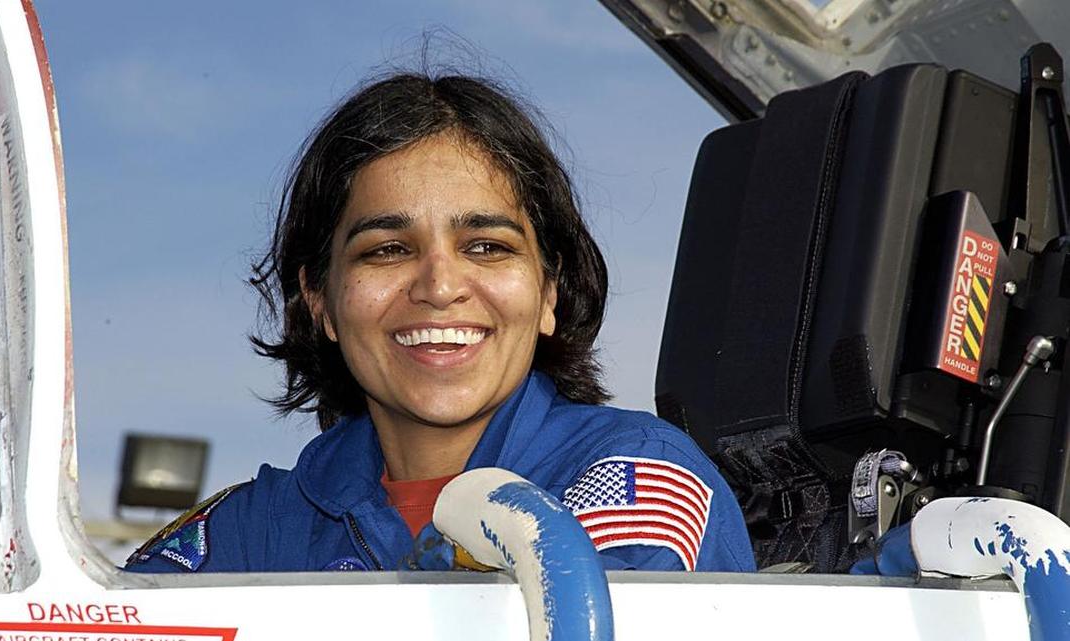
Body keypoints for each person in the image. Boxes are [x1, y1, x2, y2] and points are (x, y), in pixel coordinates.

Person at [125, 72, 755, 574]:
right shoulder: (257, 531)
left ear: (548, 294)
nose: (439, 286)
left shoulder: (636, 476)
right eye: (386, 250)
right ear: (320, 300)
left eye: (486, 246)